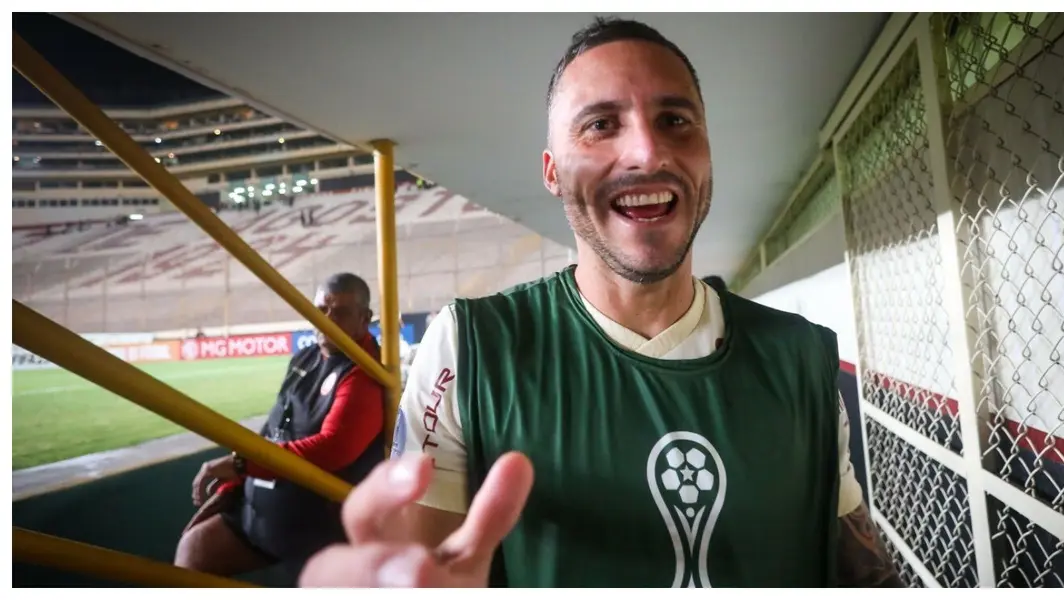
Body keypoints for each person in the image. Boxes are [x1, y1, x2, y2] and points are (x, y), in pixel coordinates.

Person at [299, 17, 901, 588]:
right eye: (600, 125)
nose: (646, 152)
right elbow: (427, 563)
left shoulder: (800, 357)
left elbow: (859, 566)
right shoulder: (469, 348)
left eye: (675, 120)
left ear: (708, 153)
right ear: (552, 171)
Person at [176, 272, 387, 578]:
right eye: (320, 310)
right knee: (194, 550)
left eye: (339, 312)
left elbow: (334, 448)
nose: (326, 319)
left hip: (317, 531)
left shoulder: (364, 374)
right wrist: (235, 484)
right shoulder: (304, 357)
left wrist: (241, 464)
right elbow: (273, 429)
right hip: (258, 514)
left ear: (364, 318)